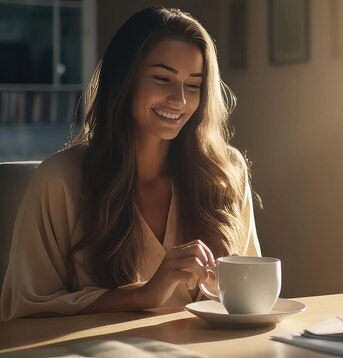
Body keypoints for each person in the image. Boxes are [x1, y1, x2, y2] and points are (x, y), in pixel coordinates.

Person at [0, 7, 260, 320]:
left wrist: (224, 285)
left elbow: (251, 298)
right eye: (162, 78)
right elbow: (26, 309)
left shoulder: (225, 172)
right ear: (123, 80)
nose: (179, 99)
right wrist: (148, 292)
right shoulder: (60, 180)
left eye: (193, 85)